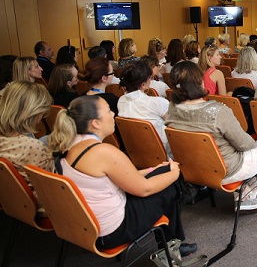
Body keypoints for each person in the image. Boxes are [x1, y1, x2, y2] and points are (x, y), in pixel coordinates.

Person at [47, 95, 195, 255]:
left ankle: (172, 243)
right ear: (95, 123)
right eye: (109, 111)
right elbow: (144, 189)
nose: (113, 114)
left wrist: (153, 170)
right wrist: (175, 173)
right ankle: (171, 250)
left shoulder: (71, 146)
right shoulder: (102, 152)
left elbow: (118, 178)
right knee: (170, 183)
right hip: (114, 231)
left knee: (162, 173)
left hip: (90, 226)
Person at [165, 61, 257, 210]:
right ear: (200, 82)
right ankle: (245, 196)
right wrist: (256, 144)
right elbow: (244, 144)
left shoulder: (172, 110)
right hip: (225, 170)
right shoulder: (217, 110)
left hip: (191, 168)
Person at [0, 81, 55, 184]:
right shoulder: (34, 147)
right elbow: (52, 184)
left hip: (9, 194)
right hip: (41, 196)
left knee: (47, 138)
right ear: (34, 112)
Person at [118, 61, 172, 157]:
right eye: (150, 78)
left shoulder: (121, 101)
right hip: (164, 154)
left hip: (137, 154)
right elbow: (175, 126)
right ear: (143, 84)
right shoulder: (158, 103)